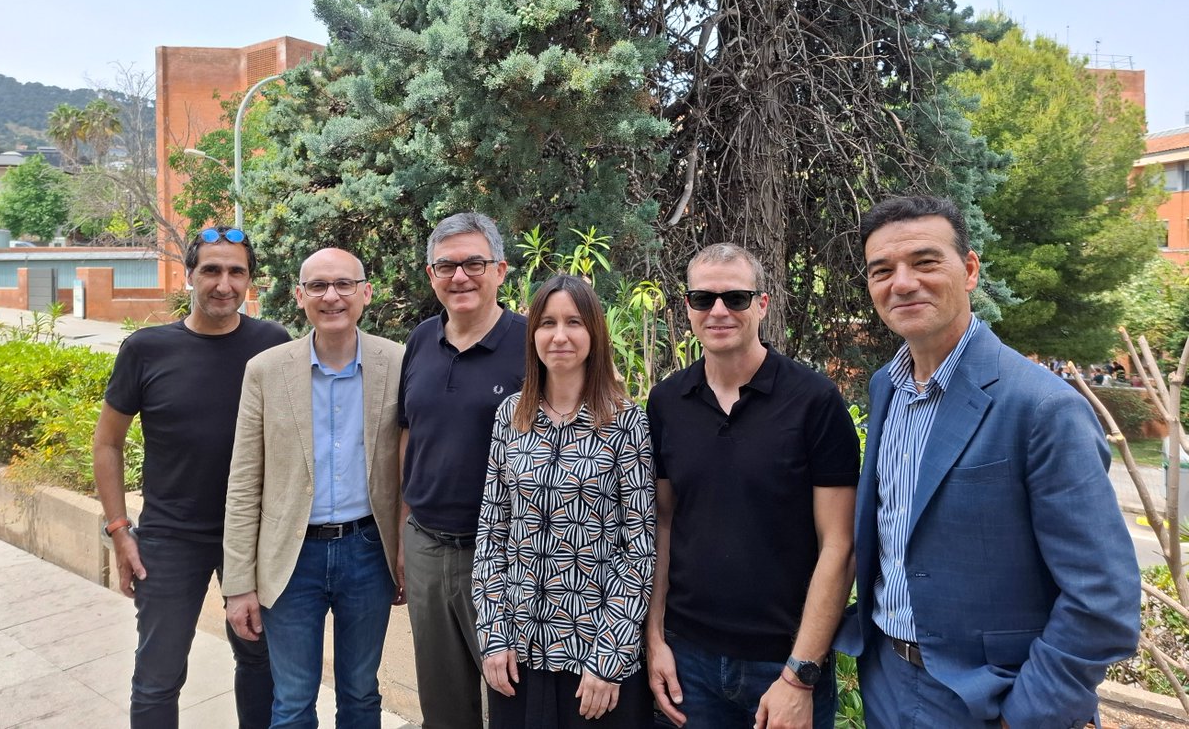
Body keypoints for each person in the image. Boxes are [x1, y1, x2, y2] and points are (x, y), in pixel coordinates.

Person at [839, 195, 1140, 727]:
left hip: (992, 698)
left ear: (970, 269)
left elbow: (1103, 599)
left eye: (925, 262)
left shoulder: (1042, 407)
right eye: (881, 270)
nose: (902, 283)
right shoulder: (886, 385)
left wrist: (1026, 715)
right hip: (887, 681)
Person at [645, 243, 860, 729]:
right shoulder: (667, 402)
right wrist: (655, 641)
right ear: (688, 309)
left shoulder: (814, 402)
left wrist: (800, 676)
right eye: (703, 299)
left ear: (762, 304)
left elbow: (840, 546)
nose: (719, 310)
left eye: (736, 298)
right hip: (688, 663)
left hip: (781, 664)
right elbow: (663, 523)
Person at [92, 226, 290, 728]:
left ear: (250, 281)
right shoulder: (147, 349)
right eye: (211, 271)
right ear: (189, 277)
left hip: (251, 534)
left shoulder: (273, 343)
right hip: (169, 537)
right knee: (158, 677)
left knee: (260, 662)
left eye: (236, 271)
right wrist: (119, 531)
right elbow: (106, 443)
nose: (223, 283)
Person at [222, 247, 405, 728]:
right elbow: (244, 482)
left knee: (362, 694)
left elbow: (412, 471)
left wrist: (405, 554)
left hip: (368, 553)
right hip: (290, 556)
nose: (332, 296)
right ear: (300, 296)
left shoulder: (399, 364)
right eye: (318, 286)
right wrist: (237, 583)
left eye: (344, 284)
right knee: (292, 700)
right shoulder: (265, 370)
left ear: (366, 292)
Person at [473, 273, 655, 727]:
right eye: (547, 323)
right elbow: (491, 537)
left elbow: (638, 551)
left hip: (594, 664)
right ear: (532, 333)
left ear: (594, 332)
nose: (559, 336)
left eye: (573, 322)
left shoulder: (625, 422)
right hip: (517, 655)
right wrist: (494, 638)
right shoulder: (510, 417)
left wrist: (608, 659)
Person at [398, 212, 527, 729]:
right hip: (427, 546)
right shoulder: (421, 341)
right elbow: (408, 436)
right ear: (431, 276)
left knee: (515, 697)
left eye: (474, 263)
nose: (460, 277)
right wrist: (402, 535)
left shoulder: (534, 343)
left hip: (505, 555)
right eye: (446, 266)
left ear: (500, 269)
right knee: (443, 705)